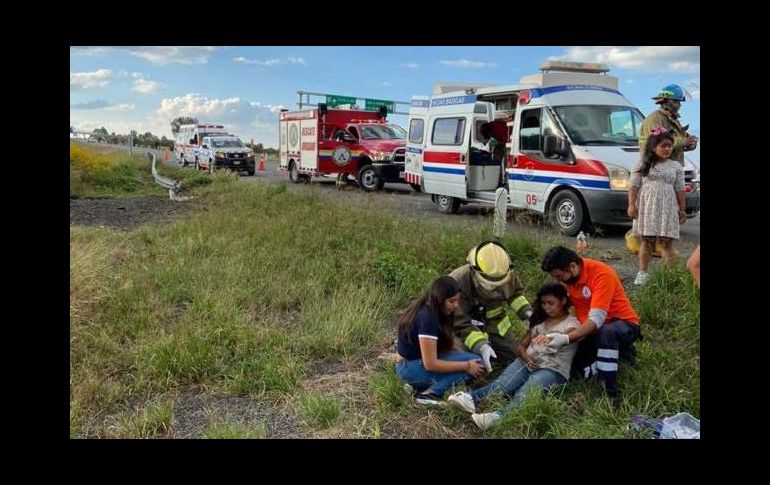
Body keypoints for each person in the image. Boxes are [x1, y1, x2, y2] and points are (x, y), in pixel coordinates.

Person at [447, 282, 580, 430]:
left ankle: (498, 417)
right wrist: (526, 357)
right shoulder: (540, 321)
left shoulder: (572, 324)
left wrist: (550, 337)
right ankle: (470, 398)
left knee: (528, 390)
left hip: (552, 369)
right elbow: (521, 346)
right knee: (502, 383)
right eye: (543, 304)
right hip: (527, 363)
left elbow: (571, 336)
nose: (546, 307)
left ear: (563, 301)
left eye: (551, 303)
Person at [540, 246, 642, 401]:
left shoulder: (601, 274)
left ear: (572, 266)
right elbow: (561, 309)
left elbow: (596, 320)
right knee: (575, 369)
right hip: (592, 330)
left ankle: (609, 393)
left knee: (606, 333)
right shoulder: (569, 280)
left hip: (623, 324)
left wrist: (567, 338)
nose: (559, 281)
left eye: (559, 276)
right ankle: (622, 354)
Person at [395, 276, 486, 405]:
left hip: (414, 361)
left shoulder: (432, 308)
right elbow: (430, 364)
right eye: (452, 301)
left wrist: (461, 356)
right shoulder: (427, 319)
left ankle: (419, 386)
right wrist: (466, 365)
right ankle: (430, 394)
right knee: (475, 363)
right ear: (440, 299)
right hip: (410, 368)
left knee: (475, 361)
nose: (456, 305)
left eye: (457, 300)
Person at [449, 241, 534, 373]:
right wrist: (481, 345)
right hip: (466, 331)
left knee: (517, 357)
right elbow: (459, 323)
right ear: (474, 270)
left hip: (495, 327)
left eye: (498, 282)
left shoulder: (506, 273)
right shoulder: (457, 281)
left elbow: (515, 295)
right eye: (489, 281)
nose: (494, 287)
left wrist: (528, 312)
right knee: (473, 363)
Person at [628, 127, 686, 286]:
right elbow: (633, 186)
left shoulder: (676, 166)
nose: (667, 149)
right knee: (647, 241)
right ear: (653, 147)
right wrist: (631, 205)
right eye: (663, 146)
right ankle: (642, 273)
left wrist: (682, 209)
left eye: (670, 146)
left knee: (667, 242)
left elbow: (680, 188)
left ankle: (668, 277)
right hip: (648, 205)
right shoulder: (643, 163)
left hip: (668, 206)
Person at [639, 84, 698, 167]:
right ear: (667, 102)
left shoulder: (672, 119)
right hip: (658, 168)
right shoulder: (654, 119)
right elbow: (657, 143)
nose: (679, 105)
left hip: (672, 168)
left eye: (679, 102)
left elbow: (681, 137)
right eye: (676, 102)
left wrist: (691, 142)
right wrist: (683, 142)